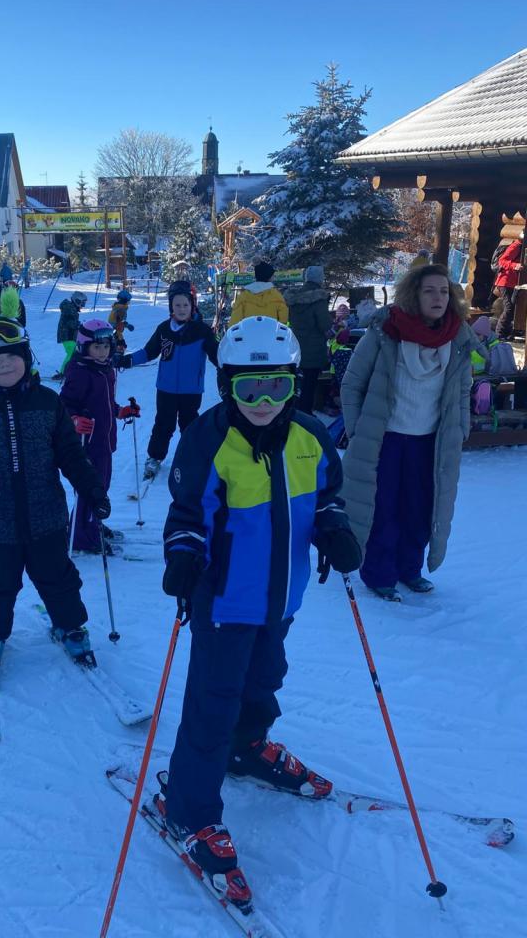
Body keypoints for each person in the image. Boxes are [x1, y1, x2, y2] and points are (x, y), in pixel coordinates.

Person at [155, 315, 361, 910]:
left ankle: (246, 745)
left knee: (266, 677)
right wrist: (183, 555)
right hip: (224, 601)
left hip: (281, 598)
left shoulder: (311, 436)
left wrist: (334, 529)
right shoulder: (208, 440)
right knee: (212, 701)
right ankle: (190, 808)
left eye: (277, 386)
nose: (264, 401)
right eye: (250, 387)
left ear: (293, 384)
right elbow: (187, 515)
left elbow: (328, 496)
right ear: (228, 386)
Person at [0, 290, 111, 677]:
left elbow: (70, 454)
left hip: (47, 517)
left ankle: (71, 626)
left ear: (27, 356)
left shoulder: (47, 402)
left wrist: (92, 490)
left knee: (59, 578)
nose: (4, 365)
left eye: (11, 356)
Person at [340, 263, 477, 601]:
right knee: (383, 508)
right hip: (384, 440)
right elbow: (352, 384)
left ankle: (409, 569)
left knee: (421, 508)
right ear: (414, 294)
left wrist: (461, 426)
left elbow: (462, 389)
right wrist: (357, 429)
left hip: (429, 442)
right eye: (429, 290)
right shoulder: (386, 331)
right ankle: (379, 574)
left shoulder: (458, 338)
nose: (438, 297)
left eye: (444, 291)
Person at [117, 280, 218, 479]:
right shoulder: (164, 329)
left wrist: (231, 369)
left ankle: (193, 457)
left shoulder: (202, 331)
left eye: (185, 305)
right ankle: (154, 457)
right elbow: (149, 352)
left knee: (189, 425)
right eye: (177, 305)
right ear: (171, 306)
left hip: (191, 390)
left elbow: (217, 356)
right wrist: (126, 361)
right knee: (163, 424)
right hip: (166, 389)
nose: (181, 309)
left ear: (192, 305)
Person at [60, 319, 140, 554]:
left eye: (106, 347)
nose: (103, 352)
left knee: (101, 488)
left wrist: (120, 411)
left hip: (103, 441)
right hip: (87, 444)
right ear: (84, 346)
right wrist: (74, 420)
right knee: (91, 488)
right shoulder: (80, 372)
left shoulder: (104, 369)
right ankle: (83, 537)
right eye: (97, 347)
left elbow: (104, 403)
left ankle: (91, 524)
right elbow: (64, 404)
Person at [286, 265, 331, 413]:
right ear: (320, 279)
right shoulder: (319, 299)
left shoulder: (294, 298)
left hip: (296, 346)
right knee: (310, 384)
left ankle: (294, 410)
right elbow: (325, 324)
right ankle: (306, 413)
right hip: (314, 348)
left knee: (297, 382)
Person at [227, 259, 288, 326]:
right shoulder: (277, 296)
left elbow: (234, 322)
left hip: (249, 332)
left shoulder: (243, 296)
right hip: (271, 332)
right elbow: (283, 320)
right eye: (272, 276)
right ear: (269, 277)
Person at [493, 234, 523, 340]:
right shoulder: (516, 246)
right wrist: (515, 265)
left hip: (514, 283)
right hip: (505, 281)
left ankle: (506, 333)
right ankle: (499, 334)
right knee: (509, 307)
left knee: (513, 308)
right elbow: (502, 261)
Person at [53, 291, 87, 380]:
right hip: (67, 335)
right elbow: (69, 323)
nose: (83, 306)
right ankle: (62, 373)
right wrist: (79, 325)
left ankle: (70, 371)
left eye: (84, 303)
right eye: (82, 303)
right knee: (71, 354)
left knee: (73, 354)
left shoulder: (71, 308)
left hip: (70, 335)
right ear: (77, 301)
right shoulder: (69, 309)